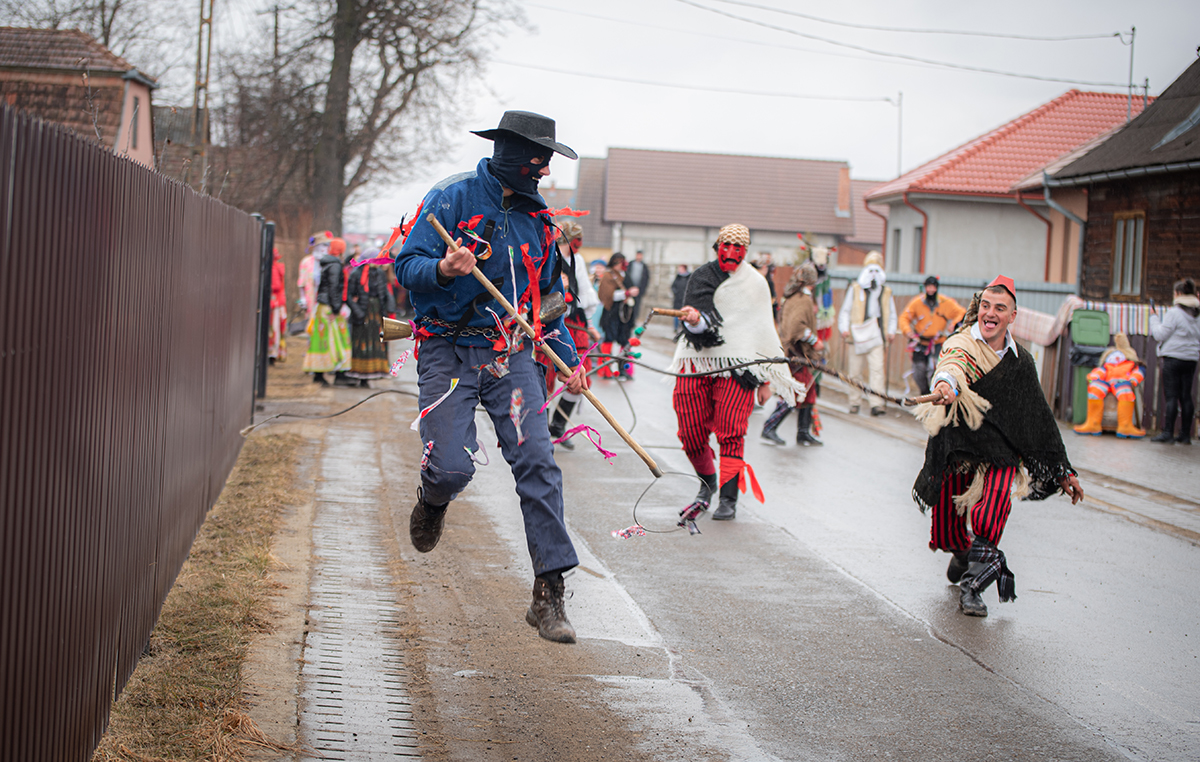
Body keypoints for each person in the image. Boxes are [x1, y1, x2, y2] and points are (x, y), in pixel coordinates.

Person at [394, 110, 585, 643]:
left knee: (538, 463)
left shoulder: (541, 223)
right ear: (508, 152)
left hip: (512, 356)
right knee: (453, 467)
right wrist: (442, 269)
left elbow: (548, 304)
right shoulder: (451, 199)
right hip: (448, 352)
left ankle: (549, 591)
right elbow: (406, 265)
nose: (543, 170)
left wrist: (568, 361)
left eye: (548, 161)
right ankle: (434, 499)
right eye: (537, 159)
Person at [914, 276, 1083, 617]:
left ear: (1012, 316)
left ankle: (974, 585)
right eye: (986, 307)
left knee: (990, 515)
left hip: (1000, 452)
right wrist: (946, 383)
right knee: (948, 528)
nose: (990, 314)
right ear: (979, 309)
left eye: (1000, 309)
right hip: (958, 448)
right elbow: (950, 365)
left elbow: (1039, 418)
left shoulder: (1021, 363)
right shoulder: (961, 343)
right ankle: (961, 553)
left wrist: (1062, 470)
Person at [672, 224, 802, 521]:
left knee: (731, 432)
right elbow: (695, 322)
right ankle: (707, 484)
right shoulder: (700, 277)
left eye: (738, 247)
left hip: (738, 370)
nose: (731, 252)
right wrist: (695, 320)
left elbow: (762, 331)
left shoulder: (756, 284)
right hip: (697, 362)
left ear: (746, 251)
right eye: (725, 246)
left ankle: (728, 498)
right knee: (690, 432)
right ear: (717, 246)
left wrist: (767, 379)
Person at [547, 220, 602, 449]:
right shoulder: (547, 255)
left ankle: (558, 424)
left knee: (581, 377)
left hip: (575, 323)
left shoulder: (577, 260)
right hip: (550, 321)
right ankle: (539, 431)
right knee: (545, 376)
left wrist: (589, 325)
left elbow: (585, 295)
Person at [761, 261, 825, 446]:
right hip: (796, 354)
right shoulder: (803, 299)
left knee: (808, 392)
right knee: (795, 393)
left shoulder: (792, 296)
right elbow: (796, 328)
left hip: (793, 354)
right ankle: (769, 428)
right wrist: (815, 341)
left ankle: (803, 432)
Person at [838, 251, 897, 415]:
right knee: (855, 371)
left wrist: (891, 331)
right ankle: (854, 402)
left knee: (877, 370)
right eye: (870, 271)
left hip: (876, 333)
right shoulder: (855, 289)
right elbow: (845, 310)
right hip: (857, 334)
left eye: (877, 271)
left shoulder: (886, 292)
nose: (873, 275)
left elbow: (892, 313)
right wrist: (844, 328)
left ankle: (876, 403)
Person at [1150, 277, 1200, 444]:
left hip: (1173, 358)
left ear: (1178, 294)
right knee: (1186, 396)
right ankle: (1185, 435)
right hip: (1191, 359)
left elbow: (1160, 334)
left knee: (1171, 396)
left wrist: (1153, 318)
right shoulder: (1198, 314)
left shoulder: (1174, 313)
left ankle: (1168, 433)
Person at [898, 276, 965, 395]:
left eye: (933, 287)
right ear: (925, 288)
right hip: (920, 343)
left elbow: (962, 312)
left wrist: (954, 324)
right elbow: (904, 317)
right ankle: (924, 394)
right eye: (929, 287)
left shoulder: (945, 302)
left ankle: (934, 395)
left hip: (938, 342)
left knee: (935, 370)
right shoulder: (917, 302)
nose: (931, 290)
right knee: (919, 371)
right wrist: (908, 331)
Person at [1073, 334, 1146, 438]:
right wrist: (1092, 377)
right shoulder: (1107, 366)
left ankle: (1125, 426)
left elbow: (1138, 373)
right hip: (1106, 382)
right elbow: (1100, 371)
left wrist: (1133, 380)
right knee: (1095, 388)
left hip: (1123, 382)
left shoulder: (1132, 365)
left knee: (1126, 392)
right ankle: (1093, 424)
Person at [302, 237, 352, 386]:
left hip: (323, 306)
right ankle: (338, 374)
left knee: (322, 341)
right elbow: (333, 288)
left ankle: (320, 374)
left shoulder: (327, 263)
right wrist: (336, 309)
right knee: (336, 340)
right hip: (330, 308)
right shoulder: (335, 266)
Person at [346, 257, 394, 388]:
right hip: (362, 313)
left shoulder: (379, 274)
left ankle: (375, 371)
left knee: (376, 342)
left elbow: (384, 292)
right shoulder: (356, 274)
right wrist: (358, 312)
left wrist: (388, 309)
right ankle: (360, 375)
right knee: (362, 343)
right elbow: (349, 296)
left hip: (377, 313)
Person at [597, 252, 638, 378]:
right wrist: (625, 294)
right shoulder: (608, 276)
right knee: (609, 339)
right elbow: (607, 295)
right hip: (611, 313)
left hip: (625, 313)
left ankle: (624, 369)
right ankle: (605, 370)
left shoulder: (626, 276)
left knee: (625, 341)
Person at [298, 231, 331, 321]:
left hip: (325, 301)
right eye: (323, 245)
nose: (325, 248)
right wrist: (302, 298)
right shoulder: (306, 262)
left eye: (327, 245)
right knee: (311, 325)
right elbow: (302, 282)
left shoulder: (330, 263)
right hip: (311, 300)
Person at [268, 246, 287, 363]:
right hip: (279, 301)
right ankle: (276, 352)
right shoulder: (278, 267)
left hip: (274, 302)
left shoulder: (273, 267)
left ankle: (272, 353)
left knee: (273, 328)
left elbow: (275, 286)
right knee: (278, 328)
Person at [626, 250, 650, 322]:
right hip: (629, 289)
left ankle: (634, 319)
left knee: (636, 306)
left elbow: (646, 279)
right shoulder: (630, 264)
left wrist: (642, 290)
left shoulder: (644, 267)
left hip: (639, 290)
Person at [670, 264, 690, 331]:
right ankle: (675, 328)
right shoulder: (678, 277)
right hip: (677, 298)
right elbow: (673, 286)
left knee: (684, 313)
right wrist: (676, 292)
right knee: (676, 313)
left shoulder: (689, 277)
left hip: (685, 299)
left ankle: (683, 328)